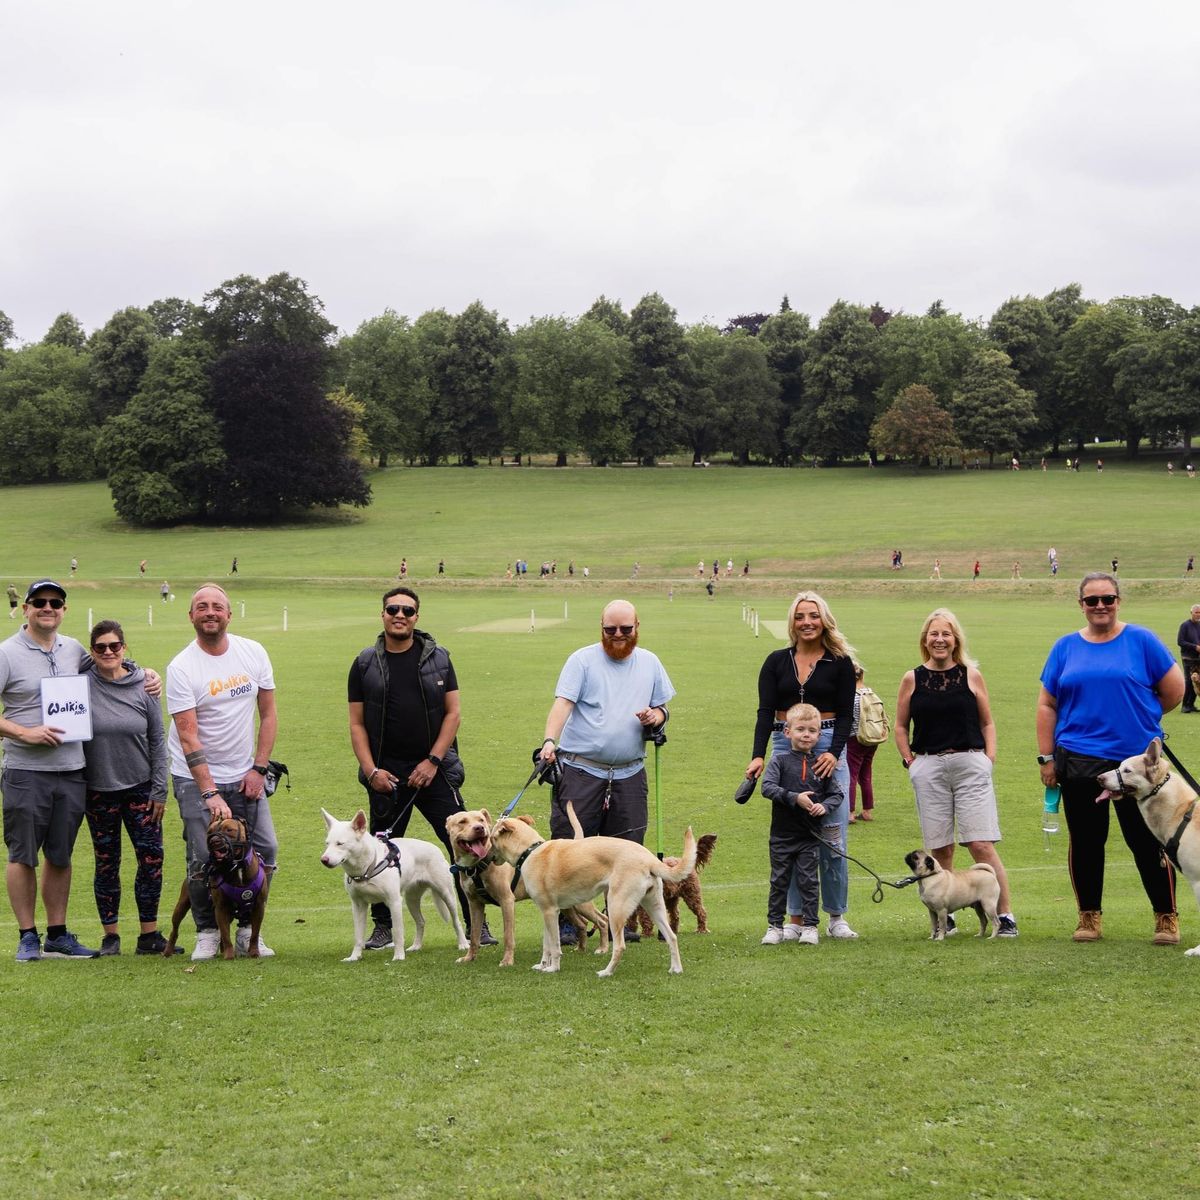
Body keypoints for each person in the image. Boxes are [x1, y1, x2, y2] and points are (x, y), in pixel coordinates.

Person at [1037, 573, 1184, 944]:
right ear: (1081, 604)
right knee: (1086, 841)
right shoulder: (1065, 647)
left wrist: (1138, 720)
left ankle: (1166, 917)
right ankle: (1089, 917)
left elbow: (1173, 691)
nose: (1100, 605)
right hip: (1080, 759)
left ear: (1118, 600)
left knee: (1148, 840)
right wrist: (1046, 758)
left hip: (1136, 765)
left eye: (1107, 598)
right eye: (1092, 600)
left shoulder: (1142, 640)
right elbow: (1047, 703)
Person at [347, 586, 481, 950]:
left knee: (464, 843)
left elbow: (453, 714)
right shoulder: (363, 663)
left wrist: (434, 761)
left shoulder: (438, 659)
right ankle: (383, 929)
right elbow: (356, 723)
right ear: (383, 614)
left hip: (435, 769)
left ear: (417, 616)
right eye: (393, 609)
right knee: (375, 851)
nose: (400, 615)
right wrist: (372, 771)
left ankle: (475, 925)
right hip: (386, 777)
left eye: (407, 610)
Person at [537, 599, 673, 944]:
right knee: (571, 850)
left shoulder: (650, 662)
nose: (617, 635)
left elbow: (662, 708)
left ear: (637, 627)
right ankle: (571, 923)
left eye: (625, 629)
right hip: (582, 769)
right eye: (609, 629)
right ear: (601, 627)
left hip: (630, 772)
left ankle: (620, 922)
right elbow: (563, 703)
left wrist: (656, 717)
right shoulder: (581, 660)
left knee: (629, 848)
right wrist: (550, 741)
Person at [167, 584, 279, 961]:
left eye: (217, 606)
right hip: (195, 777)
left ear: (229, 614)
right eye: (201, 607)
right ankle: (208, 932)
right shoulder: (182, 667)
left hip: (246, 772)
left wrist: (259, 768)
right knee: (203, 855)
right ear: (191, 616)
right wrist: (210, 791)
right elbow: (187, 735)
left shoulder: (253, 652)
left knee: (265, 848)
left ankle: (249, 928)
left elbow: (268, 714)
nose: (210, 611)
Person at [895, 608, 1018, 937]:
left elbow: (988, 722)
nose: (939, 639)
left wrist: (987, 759)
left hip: (969, 764)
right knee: (940, 847)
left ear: (955, 640)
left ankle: (1004, 915)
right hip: (929, 767)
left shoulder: (971, 675)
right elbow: (900, 726)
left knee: (981, 845)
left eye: (946, 634)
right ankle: (944, 917)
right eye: (933, 633)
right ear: (925, 639)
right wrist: (911, 762)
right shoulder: (912, 678)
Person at [744, 591, 858, 940]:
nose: (807, 622)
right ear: (791, 622)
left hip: (826, 746)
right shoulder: (776, 661)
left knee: (831, 835)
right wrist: (759, 754)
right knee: (792, 835)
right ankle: (794, 919)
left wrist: (834, 753)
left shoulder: (840, 662)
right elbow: (765, 711)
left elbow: (845, 714)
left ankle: (836, 917)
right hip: (783, 744)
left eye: (813, 615)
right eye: (800, 616)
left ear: (824, 619)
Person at [0, 581, 100, 959]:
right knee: (22, 854)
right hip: (25, 771)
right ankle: (28, 935)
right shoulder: (7, 653)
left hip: (71, 769)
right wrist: (25, 732)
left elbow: (110, 663)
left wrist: (147, 673)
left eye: (55, 603)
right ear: (26, 608)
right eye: (39, 602)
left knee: (61, 854)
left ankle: (57, 934)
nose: (48, 608)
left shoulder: (73, 648)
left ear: (64, 609)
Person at [82, 620, 174, 956]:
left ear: (124, 648)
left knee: (151, 859)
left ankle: (149, 935)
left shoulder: (144, 687)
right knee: (107, 862)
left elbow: (157, 740)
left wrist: (160, 790)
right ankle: (111, 936)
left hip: (141, 788)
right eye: (101, 647)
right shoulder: (81, 683)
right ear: (92, 651)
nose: (108, 652)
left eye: (115, 646)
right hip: (98, 790)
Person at [759, 703, 842, 945]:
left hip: (810, 837)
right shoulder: (780, 762)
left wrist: (824, 807)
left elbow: (836, 794)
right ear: (788, 732)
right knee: (779, 881)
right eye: (801, 729)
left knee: (809, 881)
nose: (806, 735)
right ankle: (774, 926)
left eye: (812, 730)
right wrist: (795, 798)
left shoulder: (821, 765)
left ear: (819, 735)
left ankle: (810, 926)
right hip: (782, 836)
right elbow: (767, 788)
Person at [846, 663, 878, 822]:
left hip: (855, 738)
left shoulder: (851, 696)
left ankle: (850, 812)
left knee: (851, 774)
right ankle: (867, 810)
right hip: (873, 738)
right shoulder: (870, 693)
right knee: (865, 774)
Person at [1177, 605, 1200, 714]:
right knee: (1189, 681)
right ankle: (1185, 705)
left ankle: (1191, 704)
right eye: (1196, 612)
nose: (1198, 615)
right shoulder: (1185, 625)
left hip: (1198, 658)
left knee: (1197, 681)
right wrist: (1195, 647)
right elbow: (1180, 642)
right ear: (1191, 613)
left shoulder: (1199, 625)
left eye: (1199, 612)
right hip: (1187, 657)